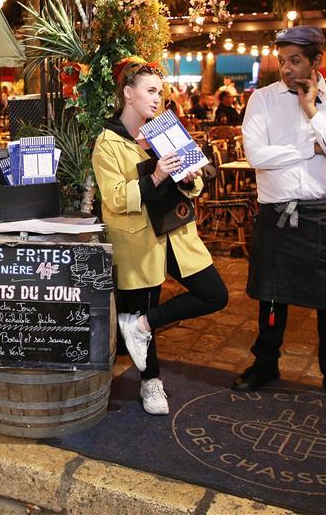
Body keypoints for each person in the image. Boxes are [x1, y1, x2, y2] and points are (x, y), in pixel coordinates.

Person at [236, 26, 326, 407]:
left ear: (316, 61)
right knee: (271, 296)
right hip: (277, 213)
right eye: (283, 60)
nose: (287, 69)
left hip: (324, 213)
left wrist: (313, 113)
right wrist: (312, 144)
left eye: (295, 60)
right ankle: (265, 363)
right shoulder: (262, 100)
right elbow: (257, 156)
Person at [92, 60, 228, 416]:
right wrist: (154, 177)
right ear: (127, 93)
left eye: (159, 92)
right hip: (137, 239)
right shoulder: (107, 143)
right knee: (142, 303)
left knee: (214, 294)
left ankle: (141, 324)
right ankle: (151, 383)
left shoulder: (165, 129)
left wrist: (189, 177)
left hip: (176, 233)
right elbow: (115, 198)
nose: (157, 99)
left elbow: (195, 183)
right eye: (150, 91)